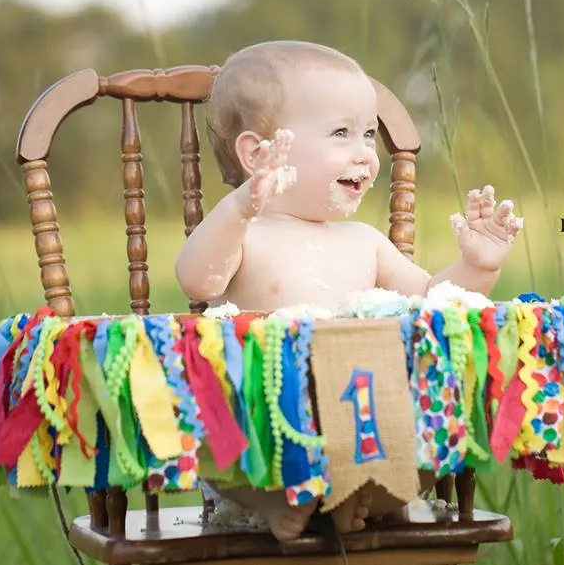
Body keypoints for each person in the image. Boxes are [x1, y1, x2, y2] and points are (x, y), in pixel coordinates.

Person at [175, 40, 524, 542]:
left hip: (360, 426)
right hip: (269, 436)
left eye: (368, 133)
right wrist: (238, 208)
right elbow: (197, 278)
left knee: (425, 452)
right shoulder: (245, 234)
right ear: (257, 155)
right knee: (216, 439)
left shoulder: (365, 242)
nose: (365, 152)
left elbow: (432, 298)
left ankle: (353, 498)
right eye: (341, 132)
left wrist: (477, 266)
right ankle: (279, 501)